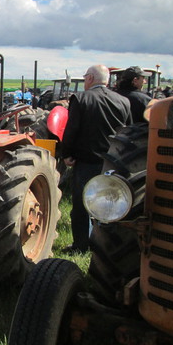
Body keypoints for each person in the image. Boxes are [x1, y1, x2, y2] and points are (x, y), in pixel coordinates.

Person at [61, 64, 132, 254]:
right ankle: (108, 245)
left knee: (82, 205)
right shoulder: (123, 101)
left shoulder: (81, 98)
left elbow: (72, 130)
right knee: (112, 204)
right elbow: (128, 131)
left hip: (87, 162)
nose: (85, 81)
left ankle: (81, 246)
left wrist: (66, 154)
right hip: (113, 162)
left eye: (85, 78)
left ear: (90, 78)